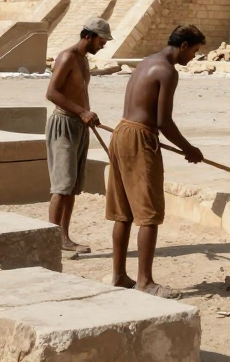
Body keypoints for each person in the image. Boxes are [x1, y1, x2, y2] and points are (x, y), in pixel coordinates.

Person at [106, 24, 206, 296]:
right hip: (140, 137)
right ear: (183, 46)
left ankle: (118, 274)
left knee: (123, 211)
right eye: (195, 51)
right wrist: (189, 149)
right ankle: (145, 281)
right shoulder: (168, 71)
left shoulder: (147, 61)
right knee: (148, 213)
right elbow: (163, 122)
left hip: (121, 131)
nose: (193, 58)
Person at [45, 17, 111, 255]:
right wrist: (82, 111)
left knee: (72, 186)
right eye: (101, 41)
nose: (103, 45)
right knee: (61, 186)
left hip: (79, 124)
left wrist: (86, 116)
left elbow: (79, 92)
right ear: (88, 36)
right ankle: (51, 240)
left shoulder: (83, 59)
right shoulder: (67, 57)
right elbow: (51, 92)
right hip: (64, 123)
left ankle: (64, 237)